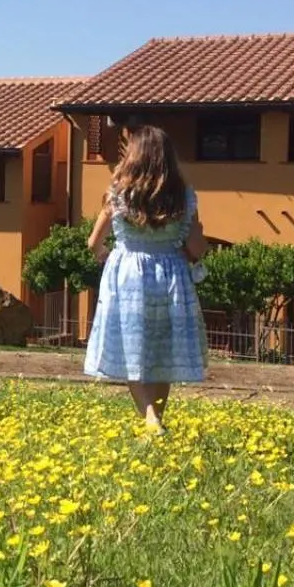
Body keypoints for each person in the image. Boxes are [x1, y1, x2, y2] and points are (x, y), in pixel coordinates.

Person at [83, 126, 207, 433]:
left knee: (131, 350)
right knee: (162, 353)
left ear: (133, 156)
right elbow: (197, 247)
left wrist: (104, 255)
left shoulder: (117, 194)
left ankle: (151, 419)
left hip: (128, 274)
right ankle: (157, 421)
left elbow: (93, 242)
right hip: (170, 275)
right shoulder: (184, 198)